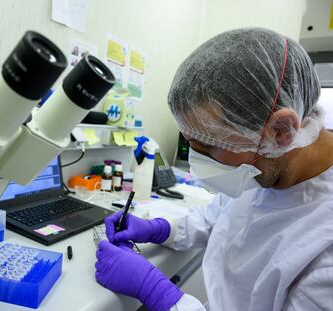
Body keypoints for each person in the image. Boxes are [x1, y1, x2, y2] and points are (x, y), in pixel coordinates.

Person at [94, 27, 333, 311]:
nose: (198, 161)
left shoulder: (325, 249)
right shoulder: (267, 164)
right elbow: (220, 217)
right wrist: (159, 229)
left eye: (210, 145)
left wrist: (158, 293)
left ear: (281, 130)